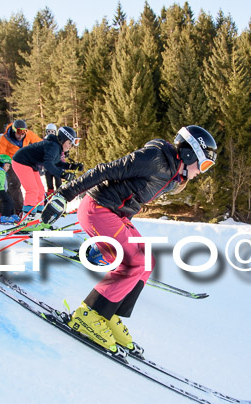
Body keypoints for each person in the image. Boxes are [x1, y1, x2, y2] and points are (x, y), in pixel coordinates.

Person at [40, 125, 218, 353]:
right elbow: (105, 170)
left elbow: (131, 194)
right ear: (189, 153)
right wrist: (63, 195)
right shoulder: (155, 158)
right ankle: (89, 315)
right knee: (135, 262)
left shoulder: (173, 175)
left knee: (147, 261)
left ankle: (108, 314)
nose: (202, 171)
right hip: (98, 208)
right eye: (203, 164)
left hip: (114, 214)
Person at [12, 126, 83, 215]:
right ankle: (27, 219)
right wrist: (63, 174)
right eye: (69, 143)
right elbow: (48, 164)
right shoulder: (53, 147)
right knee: (32, 190)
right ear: (63, 139)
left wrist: (72, 166)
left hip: (31, 164)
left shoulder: (56, 147)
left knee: (40, 191)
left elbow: (56, 163)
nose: (70, 146)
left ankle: (37, 218)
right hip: (21, 161)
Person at [0, 119, 42, 214]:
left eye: (24, 132)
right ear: (14, 130)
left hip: (24, 162)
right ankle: (18, 209)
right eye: (19, 132)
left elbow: (39, 142)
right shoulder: (5, 139)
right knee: (14, 185)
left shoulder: (28, 134)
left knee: (32, 187)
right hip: (11, 163)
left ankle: (3, 208)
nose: (21, 135)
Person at [43, 123, 63, 196]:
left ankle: (59, 196)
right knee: (49, 184)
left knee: (58, 182)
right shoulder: (44, 142)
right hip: (48, 167)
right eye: (49, 131)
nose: (50, 133)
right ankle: (50, 197)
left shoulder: (58, 142)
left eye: (52, 131)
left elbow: (62, 154)